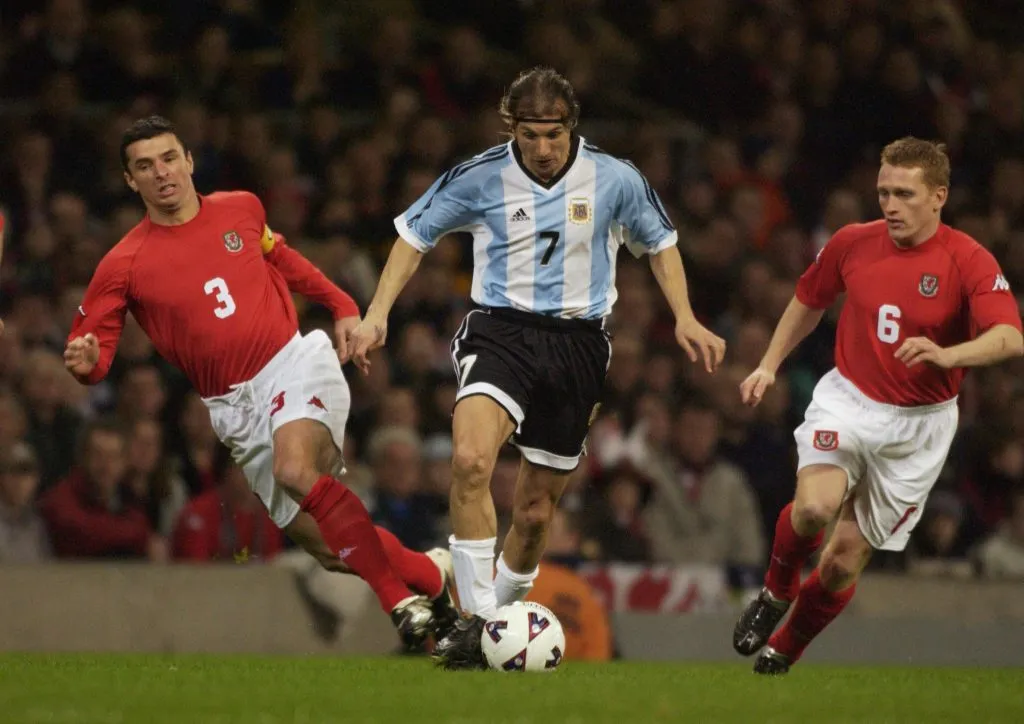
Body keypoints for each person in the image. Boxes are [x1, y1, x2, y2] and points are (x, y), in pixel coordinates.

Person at [349, 67, 725, 668]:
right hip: (501, 331)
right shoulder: (479, 176)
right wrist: (375, 314)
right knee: (471, 460)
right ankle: (476, 623)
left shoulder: (614, 177)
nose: (543, 149)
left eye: (553, 135)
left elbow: (661, 243)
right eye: (530, 136)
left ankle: (496, 623)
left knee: (533, 514)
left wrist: (684, 316)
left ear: (570, 127)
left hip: (578, 345)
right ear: (512, 129)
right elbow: (412, 236)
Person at [62, 115, 456, 650]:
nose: (161, 173)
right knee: (325, 548)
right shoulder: (122, 264)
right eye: (145, 166)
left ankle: (398, 604)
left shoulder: (240, 208)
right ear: (131, 181)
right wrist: (85, 362)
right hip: (233, 408)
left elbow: (281, 257)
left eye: (169, 158)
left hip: (291, 361)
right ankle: (433, 576)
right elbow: (97, 360)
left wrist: (341, 305)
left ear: (189, 160)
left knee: (296, 468)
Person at [732, 137, 1023, 675]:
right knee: (815, 508)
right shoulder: (852, 242)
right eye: (883, 192)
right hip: (849, 399)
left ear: (938, 196)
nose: (890, 205)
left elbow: (1010, 336)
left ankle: (786, 648)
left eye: (904, 194)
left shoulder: (969, 259)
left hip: (920, 427)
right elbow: (808, 300)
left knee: (842, 562)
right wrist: (769, 363)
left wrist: (949, 353)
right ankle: (775, 590)